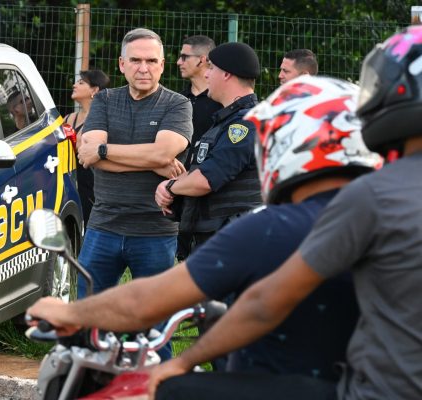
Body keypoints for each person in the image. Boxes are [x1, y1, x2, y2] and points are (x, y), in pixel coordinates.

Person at [27, 75, 381, 388]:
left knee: (169, 389)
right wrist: (185, 360)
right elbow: (260, 307)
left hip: (294, 386)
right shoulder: (391, 217)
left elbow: (145, 301)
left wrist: (70, 313)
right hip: (374, 384)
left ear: (287, 145)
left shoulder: (269, 228)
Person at [149, 26, 422, 400]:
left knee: (178, 389)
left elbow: (264, 303)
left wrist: (182, 362)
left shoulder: (373, 197)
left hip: (379, 391)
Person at [74, 28, 193, 358]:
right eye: (136, 60)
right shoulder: (104, 100)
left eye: (152, 61)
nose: (144, 68)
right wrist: (153, 161)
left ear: (163, 65)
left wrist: (104, 150)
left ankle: (157, 388)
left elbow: (160, 153)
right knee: (86, 319)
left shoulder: (177, 104)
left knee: (156, 329)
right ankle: (85, 383)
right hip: (103, 226)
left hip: (155, 231)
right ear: (122, 64)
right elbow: (87, 156)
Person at [155, 42, 261, 253]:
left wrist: (169, 187)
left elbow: (206, 179)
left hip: (235, 243)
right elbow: (200, 170)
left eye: (211, 68)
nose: (206, 75)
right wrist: (174, 184)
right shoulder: (227, 120)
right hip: (220, 238)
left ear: (227, 74)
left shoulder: (245, 124)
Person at [175, 35, 223, 261]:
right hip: (176, 187)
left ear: (203, 60)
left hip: (211, 190)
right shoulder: (176, 100)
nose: (178, 61)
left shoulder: (222, 103)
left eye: (185, 56)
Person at [64, 69, 110, 228]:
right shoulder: (70, 117)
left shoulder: (99, 119)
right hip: (69, 178)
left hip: (89, 183)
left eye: (81, 83)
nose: (74, 85)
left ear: (94, 90)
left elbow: (81, 148)